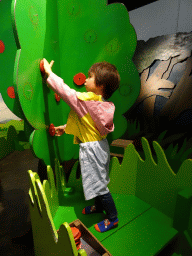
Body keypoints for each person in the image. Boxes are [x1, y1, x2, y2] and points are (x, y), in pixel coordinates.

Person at [42, 59, 120, 232]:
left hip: (93, 150)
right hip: (100, 146)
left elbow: (66, 92)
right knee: (98, 179)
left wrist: (49, 73)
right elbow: (87, 124)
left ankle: (113, 218)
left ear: (100, 85)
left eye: (90, 77)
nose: (85, 79)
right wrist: (65, 127)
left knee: (99, 184)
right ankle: (99, 206)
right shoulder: (99, 104)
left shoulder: (86, 102)